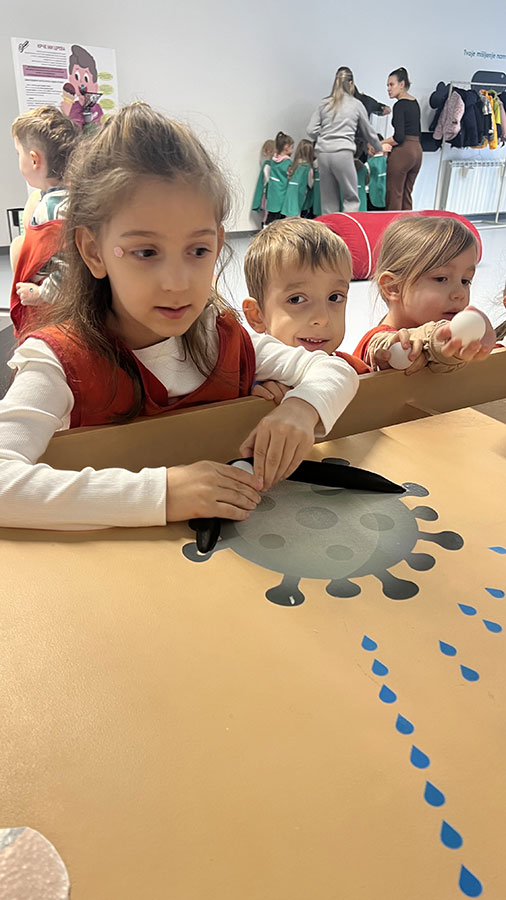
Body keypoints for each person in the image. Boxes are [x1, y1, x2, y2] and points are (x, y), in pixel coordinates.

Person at [0, 103, 360, 531]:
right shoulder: (58, 361)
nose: (177, 283)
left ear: (219, 244)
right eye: (146, 252)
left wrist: (301, 410)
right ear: (94, 251)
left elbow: (334, 371)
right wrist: (165, 494)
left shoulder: (219, 337)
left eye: (198, 250)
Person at [353, 216, 496, 373]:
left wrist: (479, 343)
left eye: (465, 281)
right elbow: (384, 347)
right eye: (441, 279)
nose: (460, 293)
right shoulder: (378, 343)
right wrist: (442, 341)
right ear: (393, 287)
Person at [242, 218, 370, 379]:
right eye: (296, 299)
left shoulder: (354, 370)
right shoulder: (244, 381)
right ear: (257, 316)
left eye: (334, 297)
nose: (322, 319)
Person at [10, 105, 79, 335]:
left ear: (34, 160)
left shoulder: (54, 210)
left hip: (55, 309)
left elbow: (71, 269)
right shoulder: (66, 198)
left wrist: (40, 293)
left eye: (18, 154)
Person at [306, 69, 383, 214]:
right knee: (350, 197)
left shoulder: (324, 103)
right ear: (351, 83)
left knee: (328, 202)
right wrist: (379, 148)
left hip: (323, 154)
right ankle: (348, 227)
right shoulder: (356, 104)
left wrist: (325, 135)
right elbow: (368, 131)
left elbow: (310, 129)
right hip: (342, 153)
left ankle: (330, 228)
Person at [382, 67, 422, 210]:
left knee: (395, 195)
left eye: (391, 84)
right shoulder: (414, 102)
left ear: (402, 84)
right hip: (417, 152)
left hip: (404, 152)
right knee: (406, 194)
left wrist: (380, 142)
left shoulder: (400, 105)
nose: (388, 88)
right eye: (387, 85)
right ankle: (408, 224)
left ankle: (394, 224)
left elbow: (399, 137)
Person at [265, 131, 294, 224]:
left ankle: (266, 228)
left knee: (271, 214)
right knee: (279, 217)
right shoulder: (287, 163)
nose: (293, 150)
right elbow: (290, 176)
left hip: (273, 191)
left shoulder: (273, 160)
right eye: (292, 147)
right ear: (286, 147)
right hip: (281, 192)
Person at [281, 140, 315, 217]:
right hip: (300, 195)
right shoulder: (307, 168)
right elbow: (311, 184)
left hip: (289, 195)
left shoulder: (293, 165)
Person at [252, 139, 275, 224]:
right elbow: (267, 180)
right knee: (267, 213)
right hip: (267, 194)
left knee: (267, 213)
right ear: (271, 151)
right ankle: (265, 225)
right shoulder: (268, 165)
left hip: (267, 194)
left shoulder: (267, 165)